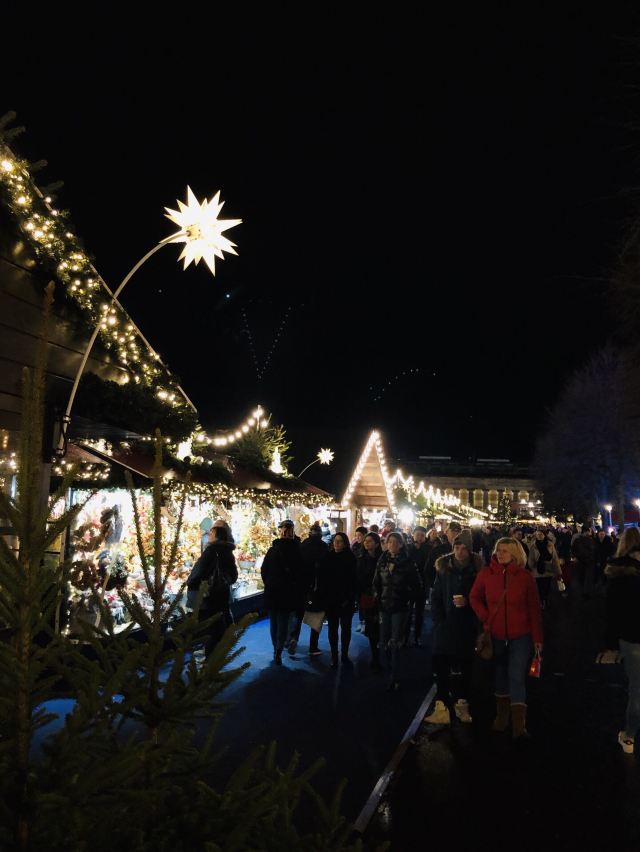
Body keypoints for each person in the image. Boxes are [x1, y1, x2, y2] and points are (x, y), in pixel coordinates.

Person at [470, 537, 543, 738]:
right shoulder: (486, 574)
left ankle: (519, 725)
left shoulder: (525, 577)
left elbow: (534, 608)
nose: (500, 554)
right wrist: (485, 616)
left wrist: (537, 638)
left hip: (521, 635)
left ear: (515, 554)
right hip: (495, 635)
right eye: (498, 550)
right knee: (500, 674)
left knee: (516, 675)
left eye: (505, 551)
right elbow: (474, 596)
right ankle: (502, 717)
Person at [424, 530, 483, 725]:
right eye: (457, 547)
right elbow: (436, 596)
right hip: (446, 625)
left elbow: (483, 598)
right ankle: (441, 705)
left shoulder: (477, 571)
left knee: (465, 665)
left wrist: (468, 604)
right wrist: (439, 619)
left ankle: (462, 703)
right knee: (441, 664)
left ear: (470, 550)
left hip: (467, 625)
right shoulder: (444, 568)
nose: (459, 552)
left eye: (464, 548)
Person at [598, 527, 640, 754]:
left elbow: (612, 612)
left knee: (636, 689)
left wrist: (610, 644)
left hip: (631, 635)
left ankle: (630, 736)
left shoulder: (619, 572)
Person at [373, 531, 422, 690]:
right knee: (383, 641)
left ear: (401, 544)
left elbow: (417, 585)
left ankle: (394, 675)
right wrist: (377, 595)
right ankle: (387, 668)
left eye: (395, 542)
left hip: (400, 606)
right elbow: (376, 582)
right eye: (389, 542)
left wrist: (408, 598)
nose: (391, 544)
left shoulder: (408, 562)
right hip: (384, 605)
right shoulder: (382, 560)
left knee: (395, 641)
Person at [186, 522, 238, 657]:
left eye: (211, 532)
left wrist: (191, 583)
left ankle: (210, 660)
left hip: (208, 596)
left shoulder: (211, 551)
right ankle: (218, 656)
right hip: (222, 596)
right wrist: (224, 583)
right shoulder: (228, 552)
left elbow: (198, 571)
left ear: (217, 536)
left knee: (209, 629)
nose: (208, 535)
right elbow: (234, 575)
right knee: (218, 627)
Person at [260, 519, 306, 665]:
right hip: (288, 592)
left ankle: (276, 649)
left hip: (273, 591)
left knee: (274, 622)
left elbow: (264, 570)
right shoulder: (298, 550)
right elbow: (302, 573)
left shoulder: (273, 550)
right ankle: (279, 649)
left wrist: (269, 583)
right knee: (283, 621)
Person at [318, 532, 358, 667]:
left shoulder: (350, 558)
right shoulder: (328, 557)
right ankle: (334, 655)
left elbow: (353, 580)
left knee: (346, 628)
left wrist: (349, 596)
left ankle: (344, 654)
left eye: (340, 541)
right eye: (335, 540)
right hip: (331, 599)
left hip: (346, 599)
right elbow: (322, 578)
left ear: (345, 543)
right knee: (332, 629)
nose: (337, 543)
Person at [300, 522, 328, 656]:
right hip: (318, 587)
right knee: (317, 617)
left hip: (304, 586)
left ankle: (291, 639)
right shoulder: (324, 547)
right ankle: (313, 646)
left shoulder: (304, 544)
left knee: (298, 614)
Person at [356, 532, 383, 669]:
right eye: (365, 541)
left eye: (370, 541)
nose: (366, 543)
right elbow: (358, 577)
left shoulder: (382, 558)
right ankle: (375, 655)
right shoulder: (361, 559)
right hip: (367, 595)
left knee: (380, 625)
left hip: (381, 595)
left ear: (377, 544)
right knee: (371, 624)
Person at [405, 525, 432, 646]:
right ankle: (405, 636)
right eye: (418, 535)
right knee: (408, 611)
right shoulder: (407, 548)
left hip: (422, 584)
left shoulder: (429, 549)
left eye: (422, 535)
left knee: (420, 613)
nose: (420, 537)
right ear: (413, 535)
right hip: (409, 584)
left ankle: (417, 636)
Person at [527, 529, 562, 608]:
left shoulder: (550, 544)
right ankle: (542, 600)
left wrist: (558, 571)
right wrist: (531, 566)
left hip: (548, 569)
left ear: (544, 535)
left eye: (541, 534)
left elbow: (554, 558)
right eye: (538, 534)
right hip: (538, 569)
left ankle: (545, 599)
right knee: (540, 587)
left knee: (547, 586)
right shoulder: (533, 545)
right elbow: (531, 557)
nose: (539, 536)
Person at [572, 525, 597, 599]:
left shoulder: (577, 540)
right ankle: (586, 592)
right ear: (586, 532)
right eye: (588, 531)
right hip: (588, 562)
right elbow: (593, 550)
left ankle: (583, 591)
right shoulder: (590, 540)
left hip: (581, 561)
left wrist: (576, 557)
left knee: (582, 577)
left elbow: (573, 550)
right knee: (587, 578)